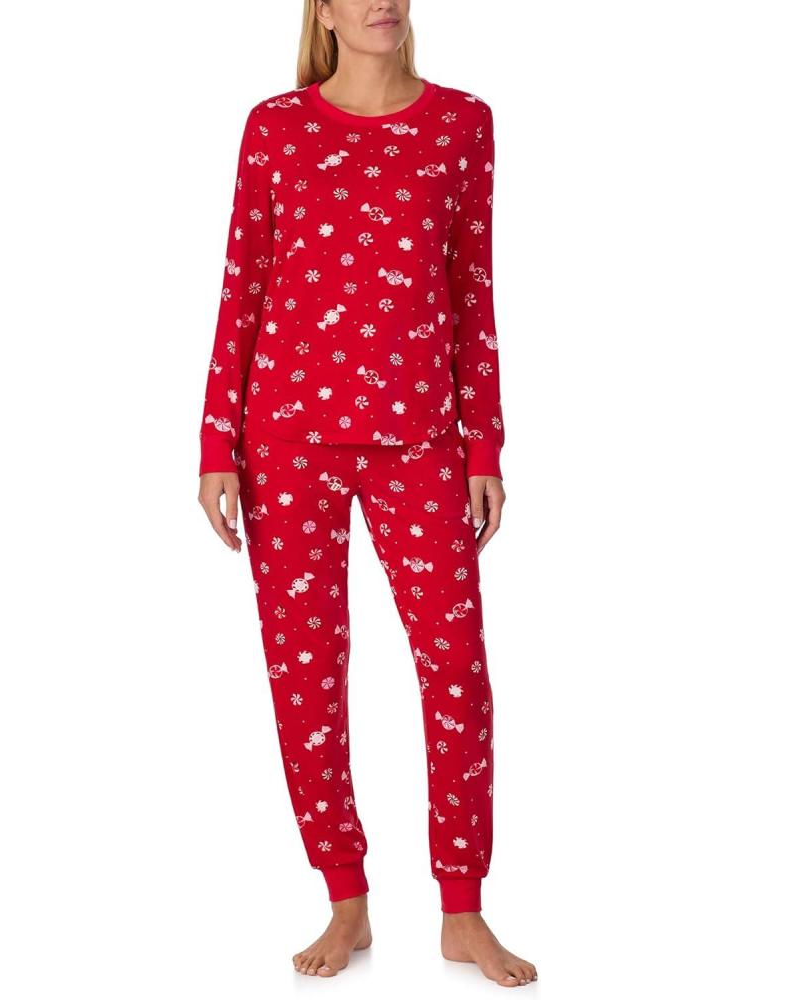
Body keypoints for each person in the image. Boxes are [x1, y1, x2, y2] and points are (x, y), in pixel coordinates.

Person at [197, 0, 536, 986]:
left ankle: (462, 909)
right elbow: (243, 280)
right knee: (306, 680)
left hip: (421, 437)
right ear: (325, 11)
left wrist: (484, 445)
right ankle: (346, 900)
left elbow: (472, 287)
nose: (381, 0)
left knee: (456, 668)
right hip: (284, 440)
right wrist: (217, 442)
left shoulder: (461, 123)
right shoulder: (275, 127)